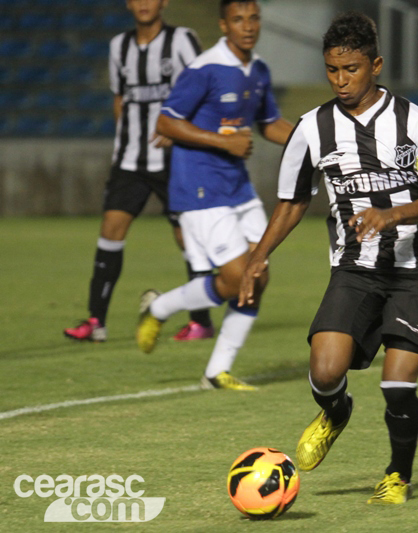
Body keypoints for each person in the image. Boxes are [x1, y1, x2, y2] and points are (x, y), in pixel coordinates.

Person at [238, 11, 418, 504]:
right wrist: (258, 256)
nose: (341, 80)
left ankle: (398, 476)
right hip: (357, 266)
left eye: (352, 69)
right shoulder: (312, 129)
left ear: (375, 64)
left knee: (397, 382)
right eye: (333, 71)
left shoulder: (415, 122)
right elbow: (292, 201)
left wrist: (393, 214)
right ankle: (336, 413)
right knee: (325, 369)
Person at [135, 0, 293, 390]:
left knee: (259, 274)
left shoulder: (257, 69)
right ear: (224, 25)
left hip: (237, 187)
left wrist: (318, 141)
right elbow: (165, 122)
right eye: (238, 19)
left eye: (254, 18)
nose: (248, 26)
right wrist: (221, 142)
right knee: (240, 276)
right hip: (200, 187)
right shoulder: (204, 69)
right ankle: (160, 308)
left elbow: (270, 124)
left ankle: (214, 372)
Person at [64, 0, 213, 342]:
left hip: (175, 159)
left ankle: (201, 322)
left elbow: (204, 88)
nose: (144, 3)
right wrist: (122, 140)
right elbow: (120, 98)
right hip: (130, 160)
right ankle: (95, 322)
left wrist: (180, 129)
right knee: (110, 231)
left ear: (163, 2)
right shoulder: (119, 45)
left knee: (186, 237)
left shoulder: (181, 40)